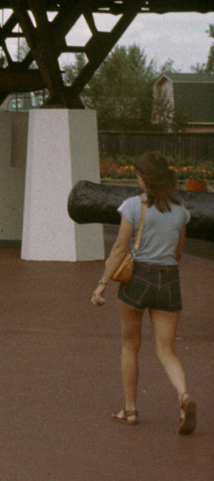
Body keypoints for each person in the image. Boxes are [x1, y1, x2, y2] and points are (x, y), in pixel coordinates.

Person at [91, 152, 197, 434]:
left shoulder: (133, 207)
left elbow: (119, 249)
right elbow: (177, 252)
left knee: (130, 346)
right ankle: (183, 395)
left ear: (143, 178)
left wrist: (102, 283)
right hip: (169, 280)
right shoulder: (180, 211)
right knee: (166, 350)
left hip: (138, 280)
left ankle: (130, 409)